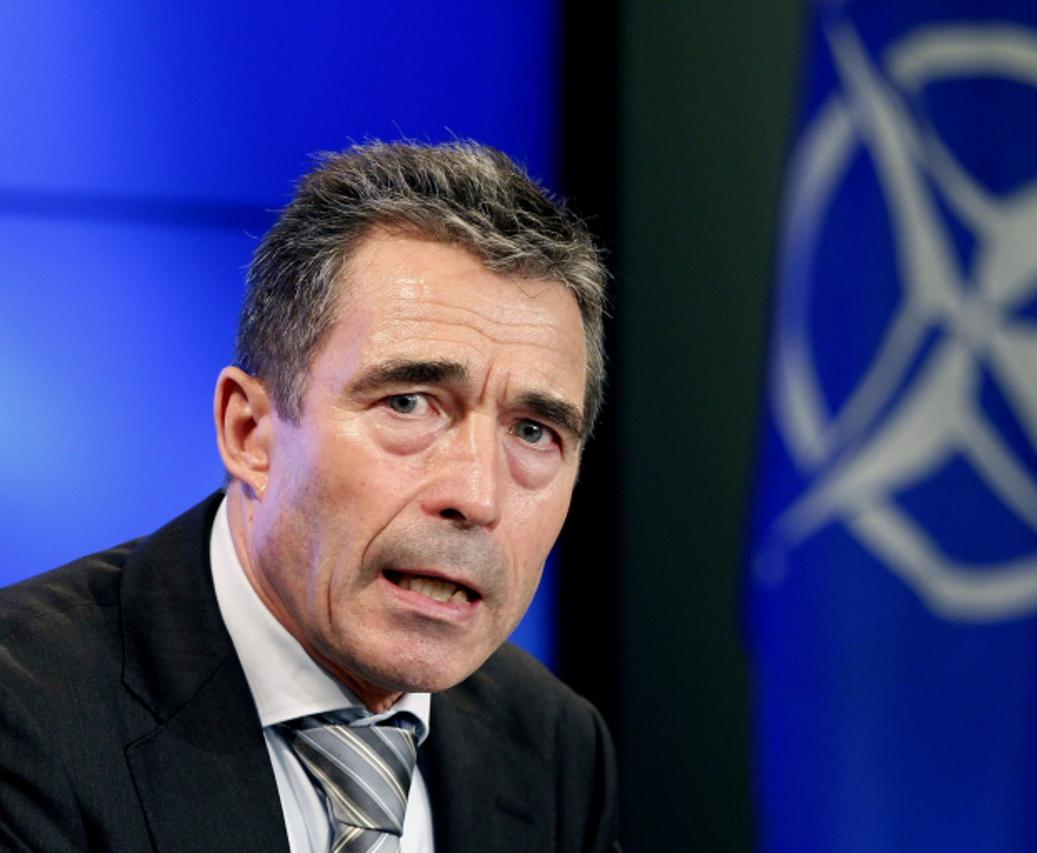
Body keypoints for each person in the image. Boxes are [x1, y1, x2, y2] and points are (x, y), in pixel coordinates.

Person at [0, 141, 620, 852]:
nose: (477, 496)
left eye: (535, 431)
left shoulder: (555, 748)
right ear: (251, 432)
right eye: (408, 402)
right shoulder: (25, 716)